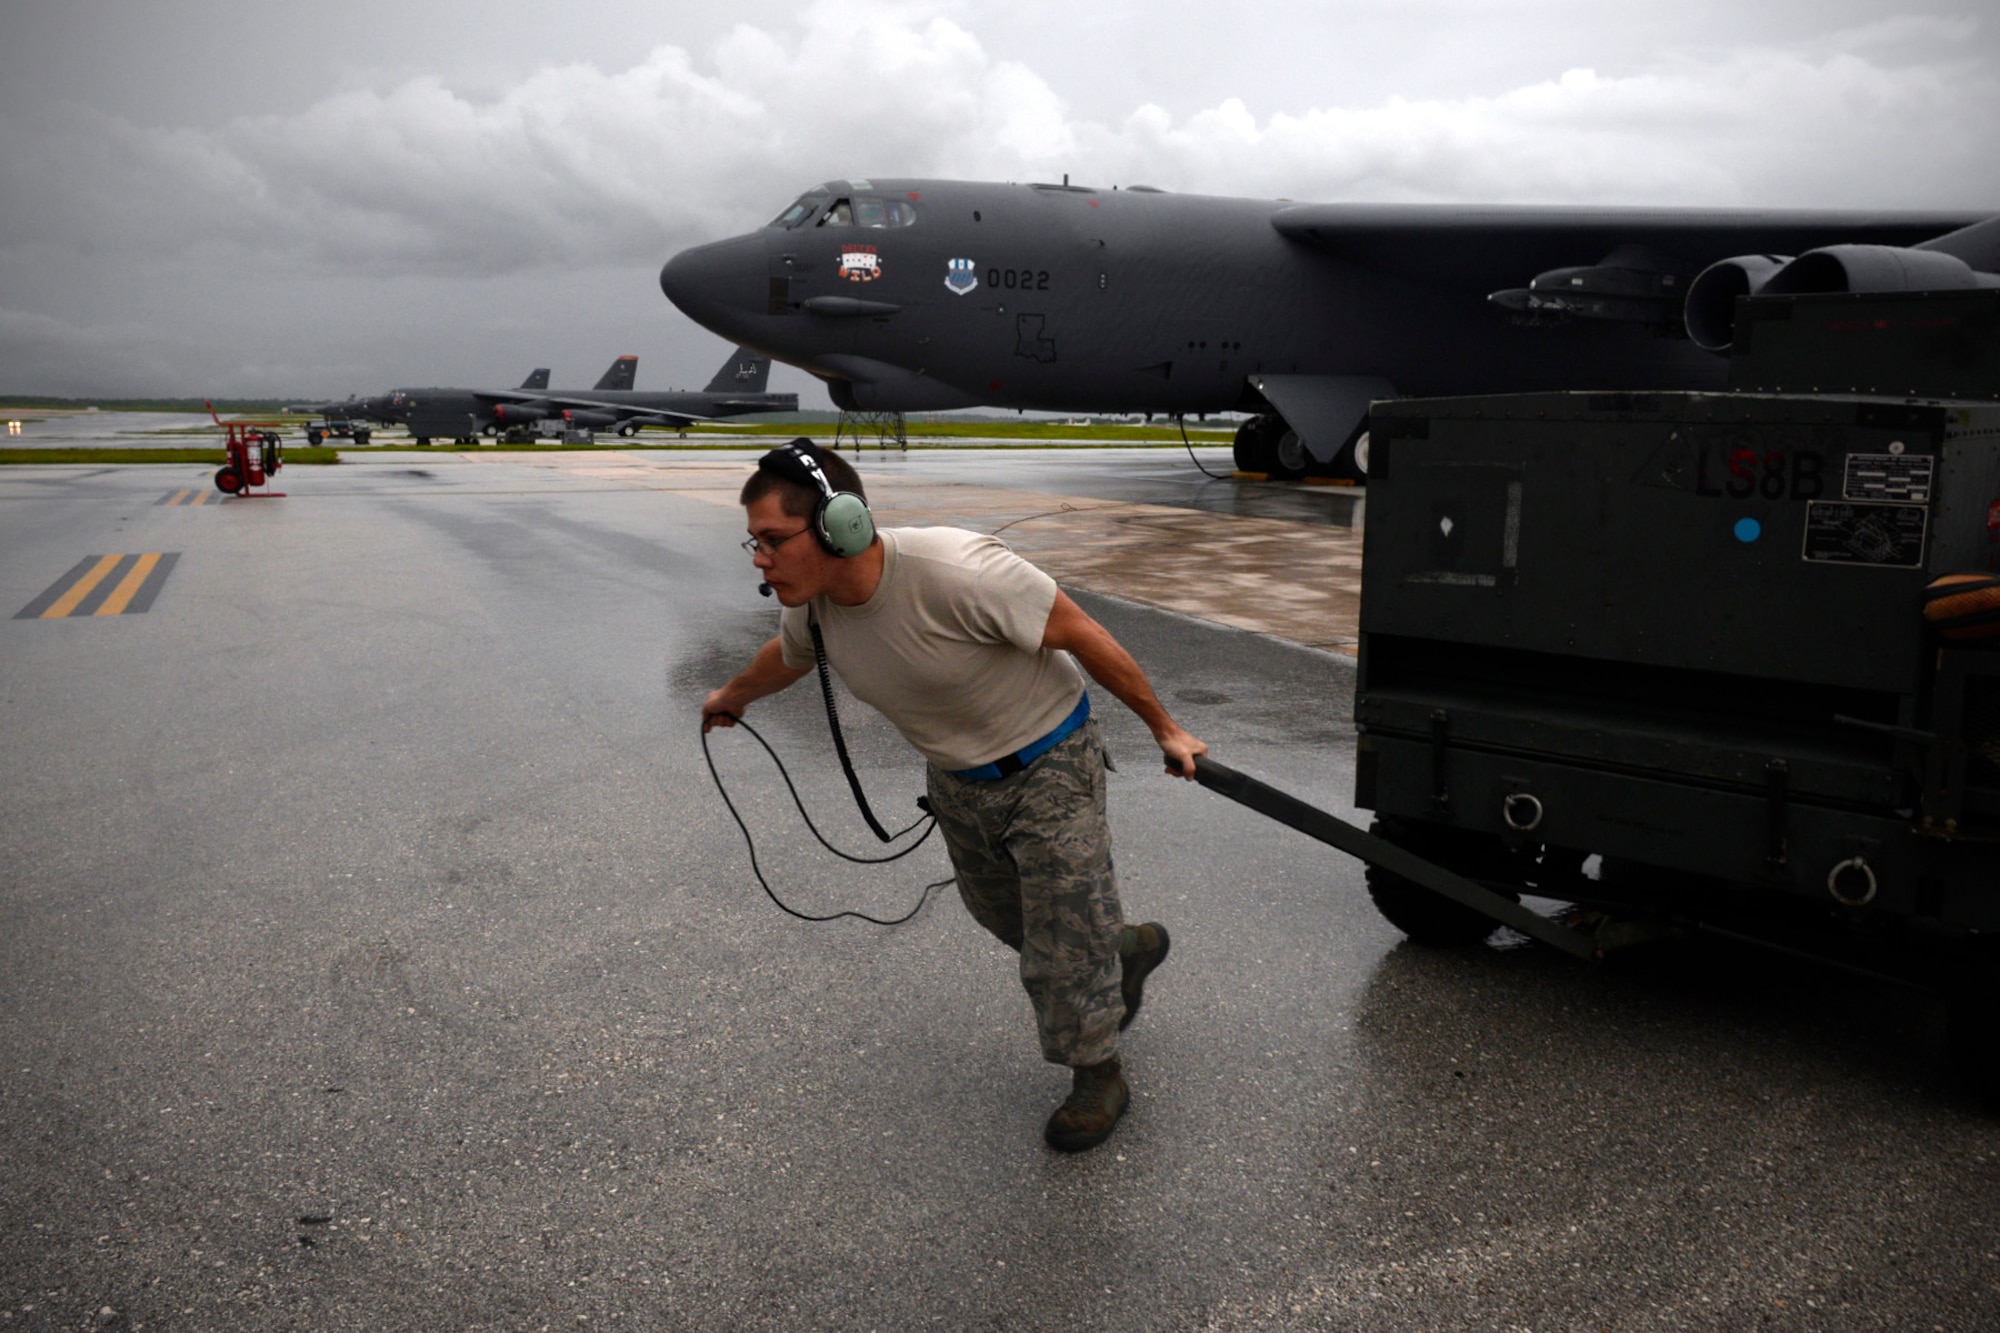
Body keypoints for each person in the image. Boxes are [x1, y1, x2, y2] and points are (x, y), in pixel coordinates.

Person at [702, 440, 1206, 1152]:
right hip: (957, 782)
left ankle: (1098, 1073)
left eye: (775, 541)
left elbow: (1082, 632)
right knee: (1003, 913)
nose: (760, 558)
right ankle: (1120, 947)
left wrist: (1167, 729)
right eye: (755, 542)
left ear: (838, 526)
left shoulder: (956, 570)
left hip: (1049, 758)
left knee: (1059, 945)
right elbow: (784, 659)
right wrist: (732, 697)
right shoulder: (813, 612)